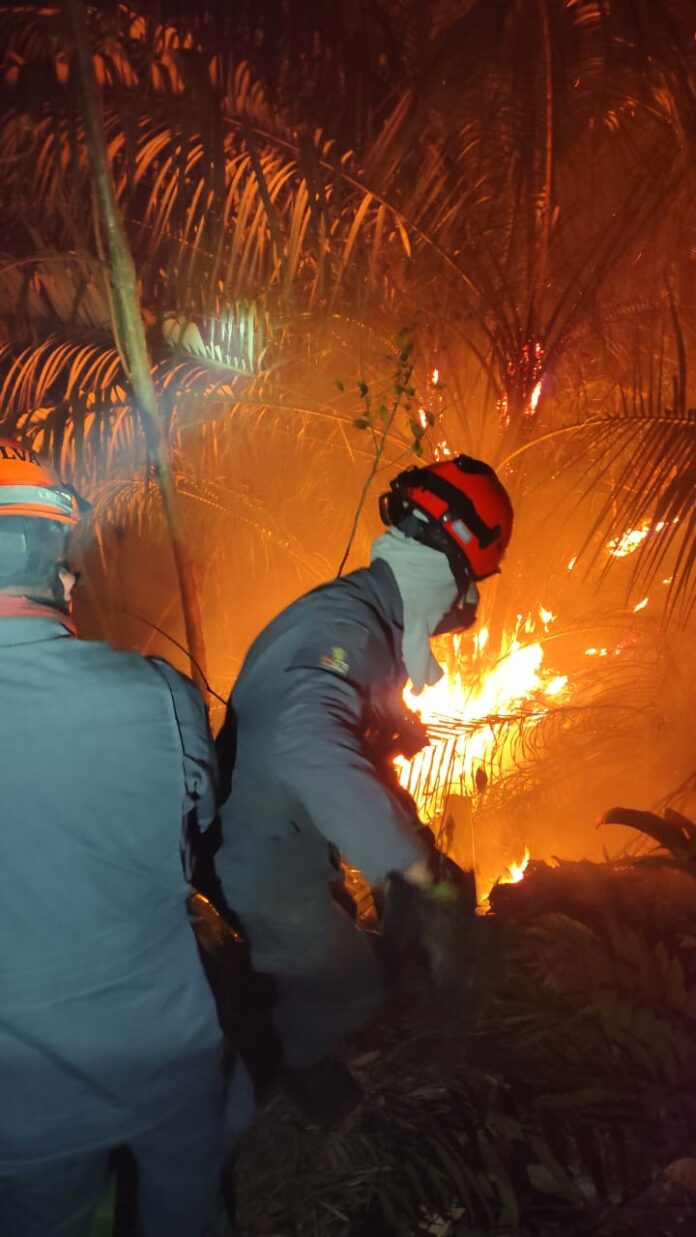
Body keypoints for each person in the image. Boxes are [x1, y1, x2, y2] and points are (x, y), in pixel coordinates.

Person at [215, 454, 513, 1121]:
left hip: (273, 823)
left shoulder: (359, 612)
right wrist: (407, 866)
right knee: (353, 986)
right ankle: (286, 1062)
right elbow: (305, 736)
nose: (457, 615)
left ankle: (267, 990)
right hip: (257, 855)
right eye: (464, 589)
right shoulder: (344, 626)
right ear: (448, 571)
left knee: (334, 936)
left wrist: (389, 724)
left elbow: (336, 698)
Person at [0, 439, 234, 1237]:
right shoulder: (160, 691)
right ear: (63, 567)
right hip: (168, 1059)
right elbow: (198, 839)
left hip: (24, 1105)